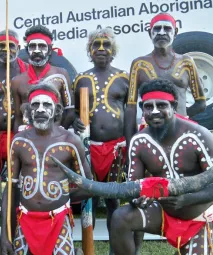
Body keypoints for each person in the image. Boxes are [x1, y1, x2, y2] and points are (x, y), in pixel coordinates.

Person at [112, 79, 213, 255]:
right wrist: (138, 197)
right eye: (149, 106)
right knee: (121, 217)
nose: (155, 111)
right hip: (162, 212)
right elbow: (134, 185)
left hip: (197, 216)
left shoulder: (200, 136)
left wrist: (187, 199)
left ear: (173, 106)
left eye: (161, 105)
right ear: (142, 109)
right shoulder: (139, 141)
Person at [0, 84, 94, 255]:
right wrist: (4, 235)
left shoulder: (70, 140)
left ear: (56, 110)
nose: (41, 109)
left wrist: (60, 195)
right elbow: (11, 188)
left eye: (47, 105)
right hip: (26, 218)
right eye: (35, 105)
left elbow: (88, 185)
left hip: (58, 218)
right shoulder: (19, 141)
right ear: (28, 110)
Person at [71, 28, 128, 253]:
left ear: (113, 50)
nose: (101, 49)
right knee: (89, 198)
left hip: (117, 148)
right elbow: (75, 112)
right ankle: (88, 248)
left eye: (106, 44)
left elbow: (131, 113)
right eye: (96, 45)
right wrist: (76, 119)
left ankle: (115, 248)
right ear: (90, 50)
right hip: (89, 147)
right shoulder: (81, 79)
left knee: (114, 199)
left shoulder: (124, 78)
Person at [124, 12, 206, 143]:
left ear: (175, 32)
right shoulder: (139, 65)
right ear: (149, 32)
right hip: (151, 132)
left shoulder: (187, 62)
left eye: (167, 28)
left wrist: (178, 118)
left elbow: (201, 103)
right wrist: (130, 143)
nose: (161, 33)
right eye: (157, 29)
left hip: (181, 131)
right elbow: (130, 108)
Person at [0, 29, 28, 244]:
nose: (6, 50)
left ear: (18, 48)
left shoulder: (27, 72)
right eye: (2, 46)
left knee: (14, 187)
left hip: (16, 137)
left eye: (11, 46)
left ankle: (12, 234)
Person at [11, 25, 74, 132]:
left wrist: (57, 134)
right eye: (32, 46)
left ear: (50, 50)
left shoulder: (61, 75)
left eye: (42, 46)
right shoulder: (17, 81)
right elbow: (18, 118)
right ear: (27, 50)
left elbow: (70, 112)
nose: (36, 50)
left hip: (56, 138)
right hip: (29, 139)